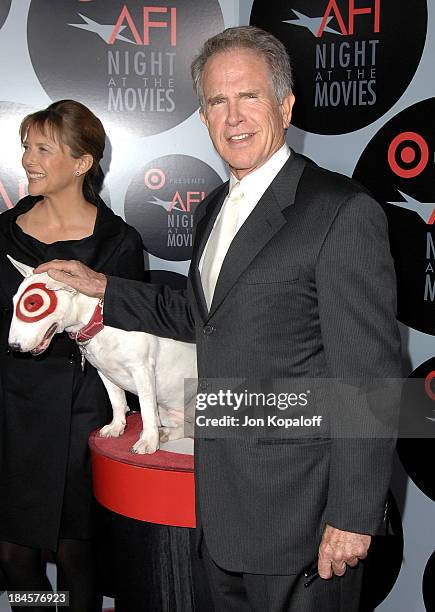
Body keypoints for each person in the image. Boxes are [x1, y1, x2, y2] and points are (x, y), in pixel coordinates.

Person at [36, 28, 402, 612]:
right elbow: (199, 316)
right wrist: (103, 286)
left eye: (249, 97)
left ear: (285, 104)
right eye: (215, 102)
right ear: (203, 116)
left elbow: (372, 380)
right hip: (219, 516)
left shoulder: (340, 211)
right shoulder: (212, 207)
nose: (232, 117)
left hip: (304, 526)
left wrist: (353, 516)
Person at [0, 100, 144, 611]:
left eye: (43, 148)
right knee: (14, 555)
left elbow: (136, 340)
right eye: (25, 147)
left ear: (82, 163)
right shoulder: (2, 235)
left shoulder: (120, 243)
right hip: (14, 416)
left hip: (87, 416)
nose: (28, 160)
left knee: (78, 555)